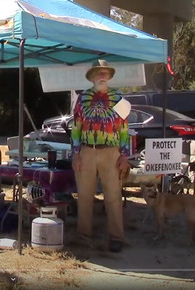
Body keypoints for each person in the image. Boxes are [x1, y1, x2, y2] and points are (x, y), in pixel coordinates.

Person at [71, 59, 131, 253]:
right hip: (87, 151)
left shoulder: (119, 98)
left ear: (110, 76)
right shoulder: (82, 98)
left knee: (113, 195)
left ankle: (116, 237)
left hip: (111, 152)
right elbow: (76, 127)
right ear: (92, 77)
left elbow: (124, 129)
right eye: (99, 73)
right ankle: (83, 235)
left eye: (105, 73)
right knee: (84, 195)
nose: (102, 76)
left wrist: (124, 156)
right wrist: (76, 154)